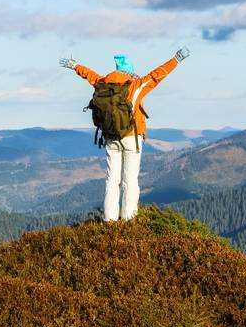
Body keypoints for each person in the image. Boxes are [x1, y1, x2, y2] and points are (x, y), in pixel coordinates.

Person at [59, 49, 189, 222]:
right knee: (129, 181)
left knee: (111, 180)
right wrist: (176, 59)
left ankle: (110, 221)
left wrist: (75, 65)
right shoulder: (135, 86)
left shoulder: (103, 83)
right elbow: (157, 75)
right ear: (129, 72)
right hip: (131, 137)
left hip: (110, 137)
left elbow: (89, 75)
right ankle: (128, 221)